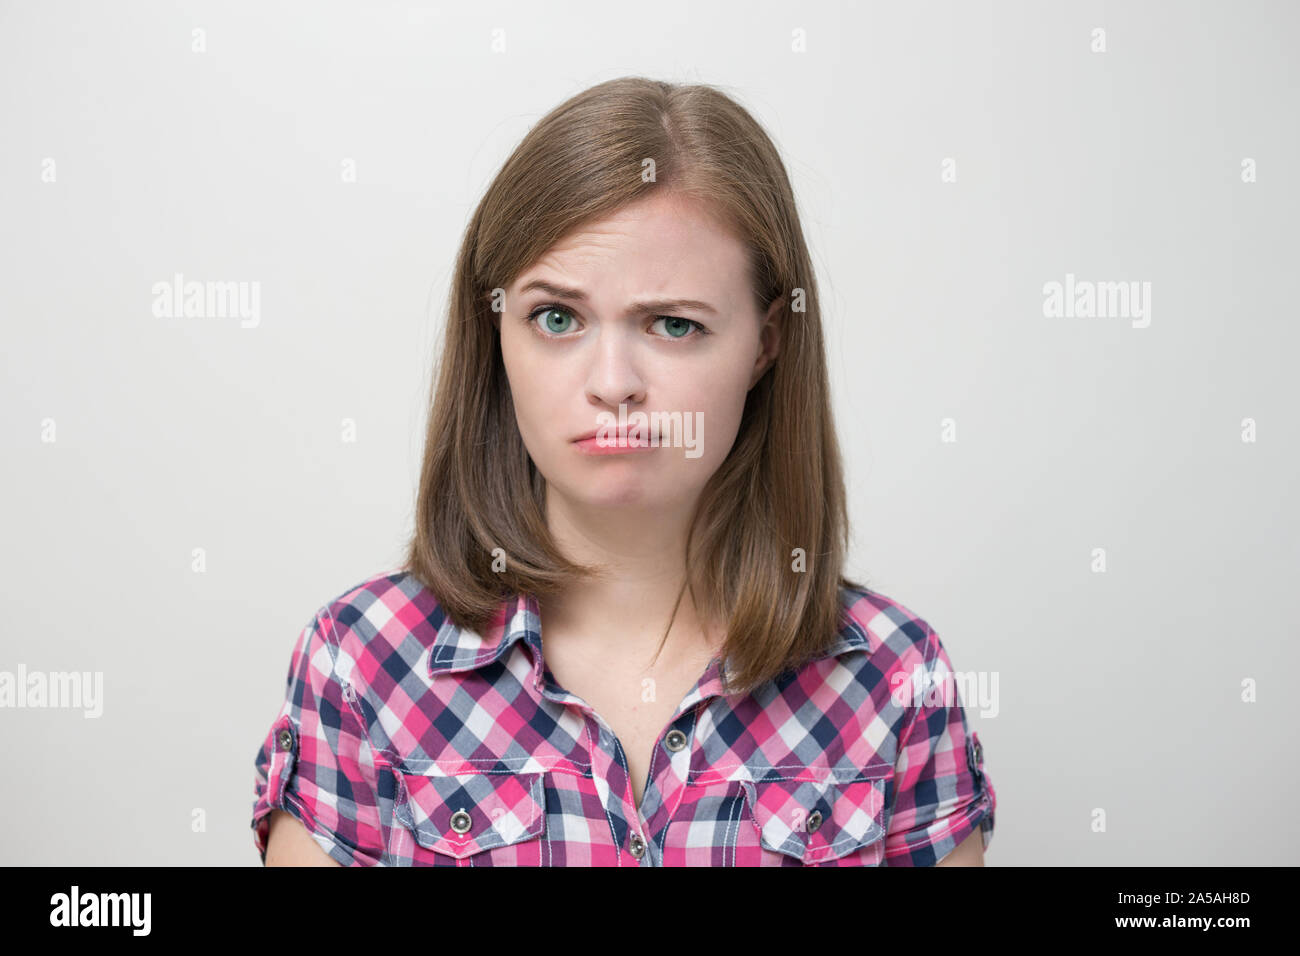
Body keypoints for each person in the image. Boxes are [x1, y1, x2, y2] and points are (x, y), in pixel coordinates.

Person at [251, 75, 995, 866]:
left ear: (766, 344)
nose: (612, 382)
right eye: (557, 318)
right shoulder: (362, 666)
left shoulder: (896, 679)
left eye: (673, 325)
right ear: (495, 329)